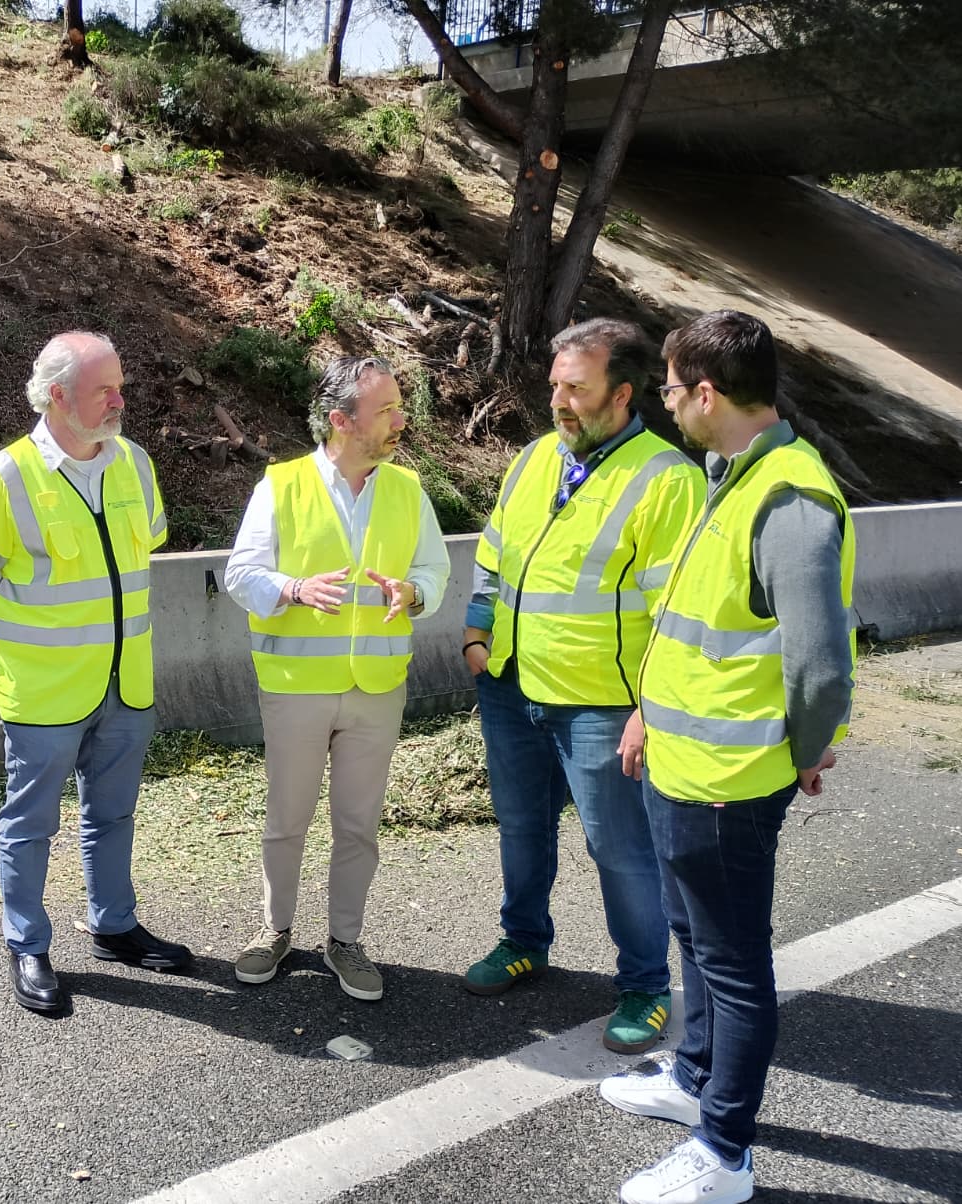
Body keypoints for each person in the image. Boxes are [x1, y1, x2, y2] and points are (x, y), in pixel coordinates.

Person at [601, 310, 855, 1204]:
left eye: (670, 388)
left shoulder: (789, 498)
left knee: (736, 966)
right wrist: (644, 714)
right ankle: (693, 1078)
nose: (668, 404)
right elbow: (694, 627)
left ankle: (725, 1154)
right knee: (694, 941)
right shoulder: (730, 475)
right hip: (681, 766)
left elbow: (821, 668)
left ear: (707, 393)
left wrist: (806, 750)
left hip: (729, 785)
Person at [461, 318, 705, 1053]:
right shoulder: (536, 456)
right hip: (511, 684)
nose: (559, 401)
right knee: (522, 829)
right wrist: (477, 633)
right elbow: (495, 553)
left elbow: (678, 613)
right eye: (555, 385)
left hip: (602, 704)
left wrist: (648, 709)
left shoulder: (668, 480)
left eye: (576, 388)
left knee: (619, 850)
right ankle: (524, 941)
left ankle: (645, 987)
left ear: (623, 394)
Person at [0, 332, 191, 1014]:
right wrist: (26, 644)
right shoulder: (0, 478)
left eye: (120, 385)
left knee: (113, 814)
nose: (119, 399)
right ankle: (27, 944)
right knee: (30, 823)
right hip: (44, 692)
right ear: (57, 397)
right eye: (104, 389)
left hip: (126, 683)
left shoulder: (134, 463)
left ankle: (114, 925)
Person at [223, 356, 449, 1001]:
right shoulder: (282, 484)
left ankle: (345, 941)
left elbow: (435, 571)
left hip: (377, 688)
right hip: (295, 684)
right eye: (387, 410)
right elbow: (241, 574)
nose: (402, 419)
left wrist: (415, 592)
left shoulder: (408, 489)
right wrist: (293, 588)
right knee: (287, 817)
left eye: (399, 407)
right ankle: (274, 930)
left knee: (358, 825)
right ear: (341, 421)